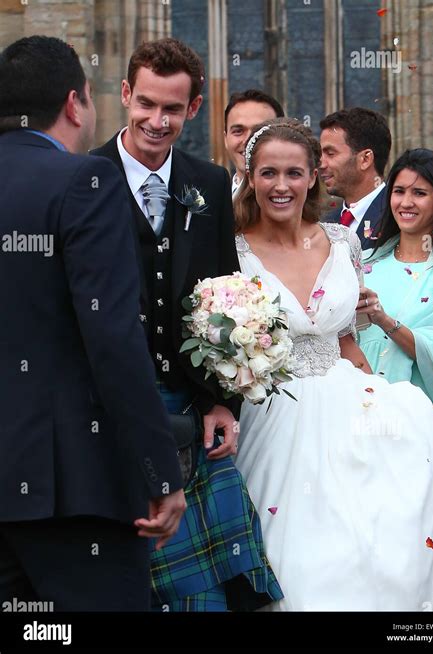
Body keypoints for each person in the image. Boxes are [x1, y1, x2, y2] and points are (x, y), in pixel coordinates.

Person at [233, 118, 433, 611]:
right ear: (251, 178)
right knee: (294, 551)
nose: (282, 186)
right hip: (271, 407)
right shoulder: (231, 246)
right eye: (269, 173)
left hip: (349, 399)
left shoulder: (342, 242)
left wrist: (379, 396)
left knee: (379, 539)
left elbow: (347, 341)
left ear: (313, 178)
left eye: (295, 173)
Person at [92, 38, 282, 611]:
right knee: (127, 569)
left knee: (209, 584)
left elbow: (222, 302)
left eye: (172, 109)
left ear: (194, 107)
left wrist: (221, 401)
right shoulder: (82, 180)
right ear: (125, 94)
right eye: (146, 104)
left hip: (187, 405)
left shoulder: (209, 185)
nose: (157, 121)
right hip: (108, 410)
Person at [0, 36, 186, 611]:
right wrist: (160, 473)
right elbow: (111, 337)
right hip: (70, 490)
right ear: (76, 103)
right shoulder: (83, 182)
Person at [357, 149, 433, 483]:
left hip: (422, 422)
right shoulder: (363, 263)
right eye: (399, 191)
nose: (406, 202)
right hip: (357, 413)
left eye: (419, 193)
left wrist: (385, 321)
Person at [320, 107, 391, 249]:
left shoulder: (396, 218)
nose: (321, 163)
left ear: (365, 159)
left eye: (330, 153)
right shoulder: (325, 225)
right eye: (320, 154)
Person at [224, 89, 284, 198]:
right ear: (225, 139)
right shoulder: (211, 200)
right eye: (238, 131)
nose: (248, 140)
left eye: (259, 131)